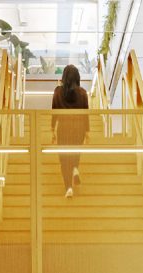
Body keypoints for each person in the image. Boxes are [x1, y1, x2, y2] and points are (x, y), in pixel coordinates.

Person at [51, 64, 89, 199]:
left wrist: (52, 129)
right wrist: (87, 131)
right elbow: (85, 113)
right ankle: (75, 168)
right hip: (79, 128)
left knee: (64, 158)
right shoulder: (83, 93)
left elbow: (54, 111)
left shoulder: (58, 92)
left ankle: (68, 188)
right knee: (75, 150)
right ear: (77, 77)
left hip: (64, 128)